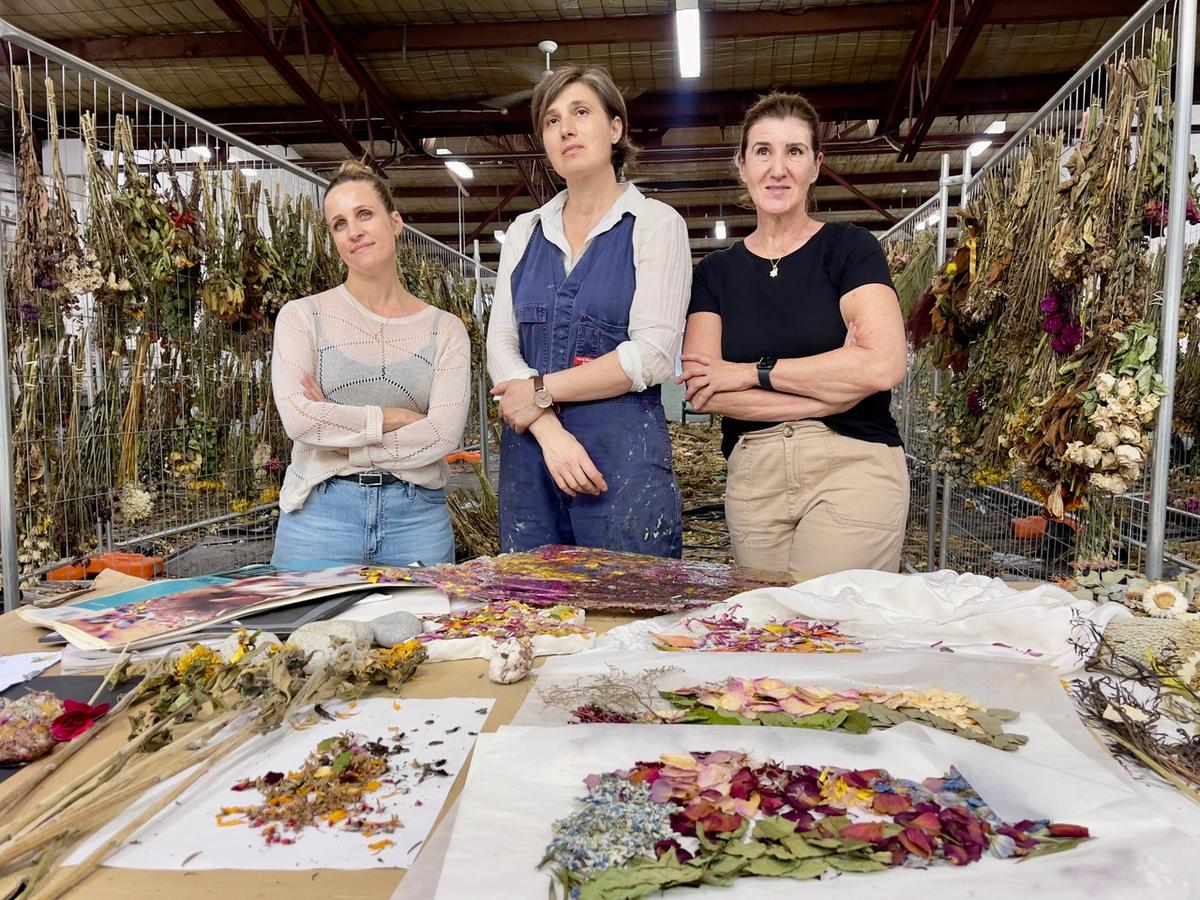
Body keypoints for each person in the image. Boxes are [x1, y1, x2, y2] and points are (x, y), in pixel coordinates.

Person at [678, 92, 909, 575]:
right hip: (753, 470)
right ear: (742, 165)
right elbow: (703, 390)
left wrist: (748, 372)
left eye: (794, 151)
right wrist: (834, 390)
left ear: (816, 165)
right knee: (767, 633)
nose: (778, 168)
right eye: (763, 151)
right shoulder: (715, 273)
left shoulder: (849, 249)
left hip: (852, 458)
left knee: (826, 624)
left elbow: (884, 365)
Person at [486, 65, 692, 557]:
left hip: (619, 464)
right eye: (552, 120)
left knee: (630, 610)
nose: (567, 129)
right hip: (531, 461)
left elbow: (653, 355)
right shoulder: (524, 232)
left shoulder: (655, 224)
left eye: (581, 112)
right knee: (534, 614)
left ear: (615, 128)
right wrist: (548, 429)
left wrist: (538, 393)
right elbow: (501, 344)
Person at [270, 161, 471, 568]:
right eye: (339, 224)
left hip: (415, 519)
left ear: (395, 222)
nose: (354, 231)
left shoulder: (445, 330)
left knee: (425, 631)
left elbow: (444, 435)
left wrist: (339, 433)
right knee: (304, 632)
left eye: (364, 214)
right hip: (318, 517)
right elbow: (300, 422)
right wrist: (396, 417)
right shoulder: (302, 317)